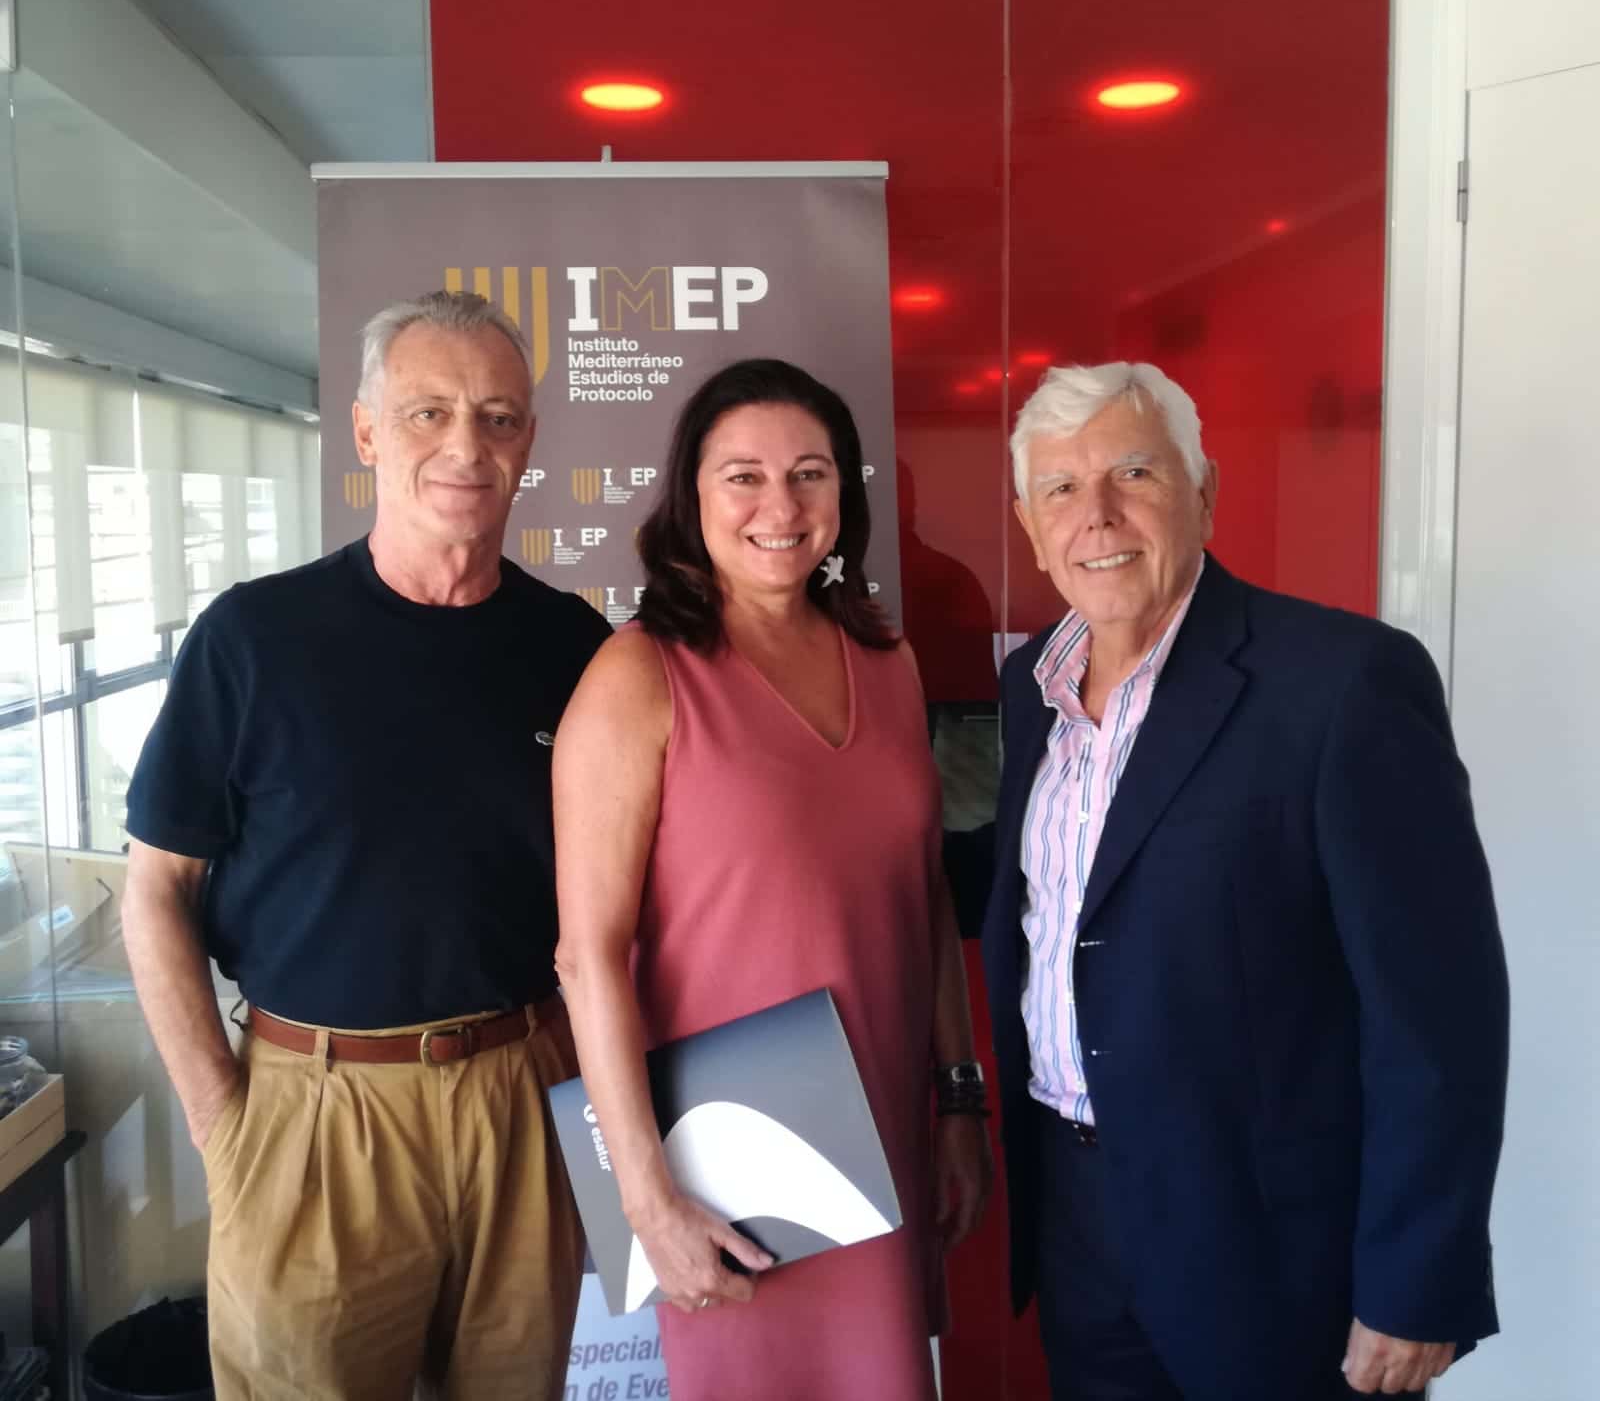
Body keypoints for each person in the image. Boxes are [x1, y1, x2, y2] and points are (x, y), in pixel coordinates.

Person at [976, 361, 1508, 1401]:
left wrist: (1418, 1280)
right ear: (1031, 527)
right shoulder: (1029, 687)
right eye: (1061, 489)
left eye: (1133, 473)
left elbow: (1438, 1013)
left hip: (1272, 1245)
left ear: (1203, 492)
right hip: (1078, 1216)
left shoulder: (1342, 683)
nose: (1097, 514)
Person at [120, 290, 609, 1401]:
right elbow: (155, 891)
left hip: (523, 1099)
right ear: (366, 432)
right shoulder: (254, 638)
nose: (466, 446)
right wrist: (221, 1122)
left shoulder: (575, 648)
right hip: (315, 1113)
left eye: (496, 417)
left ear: (528, 440)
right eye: (428, 411)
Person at [552, 358, 993, 1401]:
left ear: (845, 493)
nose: (780, 506)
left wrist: (958, 1100)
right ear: (690, 496)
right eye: (742, 476)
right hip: (737, 1165)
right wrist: (648, 1202)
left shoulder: (888, 663)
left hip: (887, 1131)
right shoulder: (638, 674)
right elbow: (587, 957)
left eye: (809, 474)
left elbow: (925, 896)